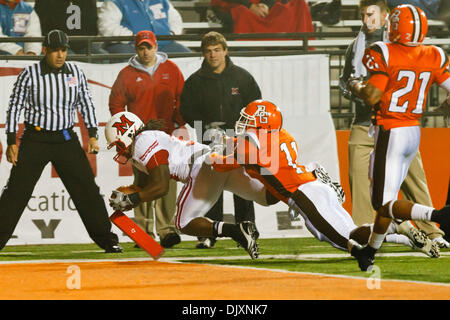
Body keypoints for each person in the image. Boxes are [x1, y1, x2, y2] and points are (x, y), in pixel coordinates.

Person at [209, 99, 436, 255]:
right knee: (350, 234)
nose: (244, 124)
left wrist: (213, 151)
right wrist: (229, 143)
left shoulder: (250, 148)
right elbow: (257, 155)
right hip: (311, 185)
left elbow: (221, 165)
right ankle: (405, 237)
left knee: (347, 239)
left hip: (303, 193)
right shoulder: (282, 137)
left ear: (263, 124)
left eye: (250, 121)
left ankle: (398, 228)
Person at [346, 5, 450, 270]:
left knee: (382, 202)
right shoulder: (434, 54)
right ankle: (371, 250)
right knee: (387, 202)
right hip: (414, 130)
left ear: (393, 25)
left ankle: (438, 215)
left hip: (390, 131)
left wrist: (355, 85)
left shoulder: (383, 51)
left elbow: (372, 95)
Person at [0, 29, 122, 253]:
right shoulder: (30, 74)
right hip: (35, 138)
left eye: (63, 50)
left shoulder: (75, 72)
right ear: (45, 50)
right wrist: (11, 141)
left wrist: (93, 134)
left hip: (65, 138)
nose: (60, 55)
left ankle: (108, 239)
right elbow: (14, 108)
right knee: (16, 192)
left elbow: (86, 103)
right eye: (55, 50)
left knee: (87, 190)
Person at [105, 112, 272, 259]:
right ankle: (293, 187)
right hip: (213, 161)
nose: (119, 151)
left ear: (128, 134)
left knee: (183, 223)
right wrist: (126, 198)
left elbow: (161, 187)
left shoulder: (142, 142)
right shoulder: (143, 142)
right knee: (266, 196)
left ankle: (236, 231)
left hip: (202, 168)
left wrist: (132, 199)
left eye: (118, 146)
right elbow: (143, 187)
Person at [179, 31, 260, 249]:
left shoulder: (242, 77)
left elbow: (256, 106)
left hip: (238, 138)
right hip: (207, 138)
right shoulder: (194, 82)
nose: (213, 55)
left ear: (225, 50)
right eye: (208, 51)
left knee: (243, 184)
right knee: (209, 187)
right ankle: (207, 234)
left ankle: (247, 227)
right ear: (203, 54)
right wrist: (205, 125)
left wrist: (244, 130)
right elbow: (186, 110)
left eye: (217, 50)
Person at [109, 30, 185, 249]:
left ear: (156, 46)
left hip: (167, 137)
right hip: (139, 140)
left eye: (148, 47)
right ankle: (143, 230)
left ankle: (166, 230)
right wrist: (126, 132)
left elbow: (181, 98)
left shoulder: (171, 69)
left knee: (168, 183)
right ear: (136, 48)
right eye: (141, 47)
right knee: (142, 183)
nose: (145, 51)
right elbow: (115, 104)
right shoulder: (126, 74)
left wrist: (180, 124)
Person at [97, 0, 190, 55]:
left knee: (188, 56)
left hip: (163, 45)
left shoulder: (162, 0)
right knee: (128, 61)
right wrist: (133, 37)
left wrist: (171, 34)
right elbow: (107, 27)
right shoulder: (115, 1)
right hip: (130, 46)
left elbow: (175, 20)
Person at [24, 0, 108, 57]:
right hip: (57, 44)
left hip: (83, 44)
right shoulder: (46, 2)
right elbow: (42, 28)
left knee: (102, 57)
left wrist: (80, 41)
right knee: (70, 58)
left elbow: (92, 28)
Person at [211, 0, 314, 34]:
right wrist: (250, 6)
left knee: (298, 3)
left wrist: (267, 5)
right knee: (242, 12)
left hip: (263, 7)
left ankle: (299, 46)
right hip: (238, 5)